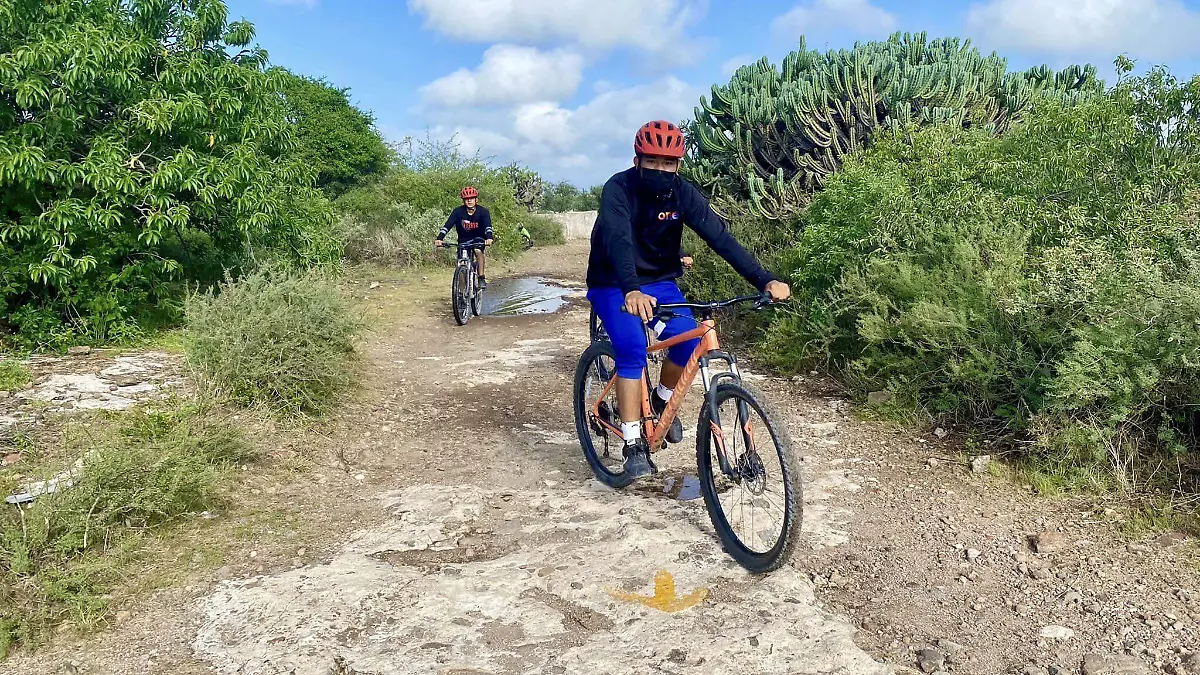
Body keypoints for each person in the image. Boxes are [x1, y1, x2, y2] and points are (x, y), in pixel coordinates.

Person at [586, 120, 791, 480]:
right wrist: (631, 288)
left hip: (661, 281)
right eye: (652, 161)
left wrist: (765, 278)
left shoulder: (683, 194)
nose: (660, 169)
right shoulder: (618, 189)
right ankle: (633, 441)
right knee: (633, 346)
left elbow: (720, 238)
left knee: (690, 339)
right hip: (614, 282)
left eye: (668, 163)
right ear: (638, 160)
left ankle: (662, 401)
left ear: (678, 165)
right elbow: (618, 240)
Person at [436, 187, 494, 287]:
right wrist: (439, 238)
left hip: (478, 238)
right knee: (461, 262)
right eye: (467, 199)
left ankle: (481, 277)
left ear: (476, 199)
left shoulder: (483, 212)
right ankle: (462, 292)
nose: (469, 201)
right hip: (463, 240)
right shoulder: (457, 212)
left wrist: (489, 238)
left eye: (472, 198)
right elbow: (447, 226)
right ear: (463, 201)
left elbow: (488, 227)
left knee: (477, 251)